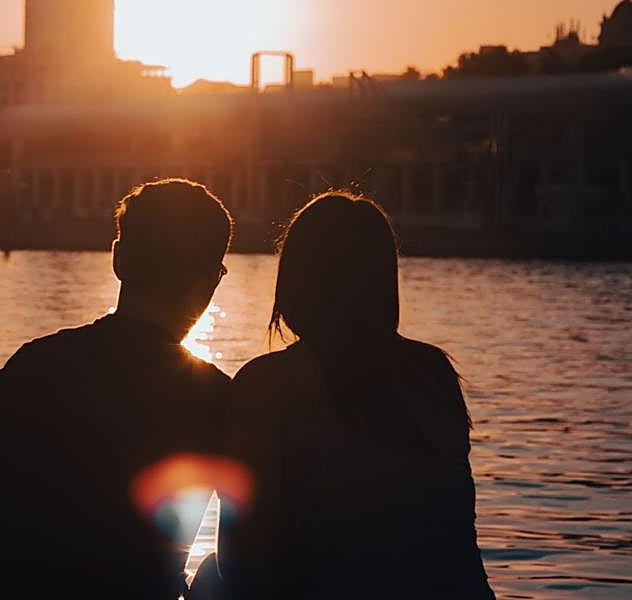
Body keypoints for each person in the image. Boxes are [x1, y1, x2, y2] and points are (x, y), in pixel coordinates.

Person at [0, 178, 236, 599]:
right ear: (212, 279)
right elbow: (248, 563)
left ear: (117, 259)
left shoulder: (27, 368)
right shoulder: (218, 399)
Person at [205, 190, 494, 599]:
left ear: (295, 279)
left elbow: (243, 557)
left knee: (206, 580)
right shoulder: (434, 373)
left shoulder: (270, 384)